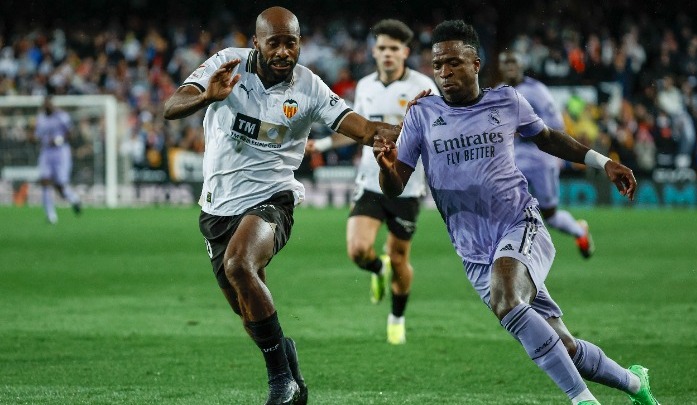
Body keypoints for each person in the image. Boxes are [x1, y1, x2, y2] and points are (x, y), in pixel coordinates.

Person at [374, 20, 660, 405]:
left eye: (454, 63)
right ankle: (634, 383)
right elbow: (395, 184)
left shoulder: (506, 101)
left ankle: (584, 401)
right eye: (438, 64)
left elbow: (547, 138)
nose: (444, 72)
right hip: (472, 251)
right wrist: (385, 167)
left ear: (476, 64)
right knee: (563, 345)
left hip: (518, 223)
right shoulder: (422, 114)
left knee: (507, 299)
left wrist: (603, 162)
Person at [163, 6, 401, 405]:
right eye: (274, 43)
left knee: (240, 264)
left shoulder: (309, 88)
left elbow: (363, 129)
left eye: (291, 43)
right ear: (256, 42)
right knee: (248, 312)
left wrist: (410, 127)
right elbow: (171, 107)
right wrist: (207, 96)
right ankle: (290, 368)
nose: (283, 52)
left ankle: (280, 382)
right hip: (218, 207)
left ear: (300, 43)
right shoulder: (228, 64)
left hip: (272, 198)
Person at [306, 19, 439, 345]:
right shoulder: (365, 86)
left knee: (400, 258)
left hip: (406, 184)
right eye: (382, 48)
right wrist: (321, 144)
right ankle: (378, 270)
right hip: (369, 180)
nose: (387, 53)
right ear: (374, 52)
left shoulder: (424, 86)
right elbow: (358, 131)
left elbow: (436, 134)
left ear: (405, 52)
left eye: (394, 48)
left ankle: (396, 318)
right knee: (357, 250)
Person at [498, 50, 594, 258]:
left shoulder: (537, 91)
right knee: (504, 208)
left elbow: (556, 125)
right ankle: (514, 254)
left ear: (522, 65)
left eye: (514, 61)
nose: (510, 66)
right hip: (513, 159)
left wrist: (525, 129)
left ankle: (579, 231)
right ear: (500, 67)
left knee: (550, 215)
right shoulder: (498, 92)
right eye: (506, 62)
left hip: (540, 158)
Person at [31, 95, 82, 224]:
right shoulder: (40, 118)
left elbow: (71, 132)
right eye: (44, 103)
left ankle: (74, 199)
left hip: (61, 152)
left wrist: (58, 140)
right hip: (46, 152)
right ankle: (50, 215)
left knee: (60, 185)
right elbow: (36, 135)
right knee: (44, 181)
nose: (46, 106)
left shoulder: (61, 116)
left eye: (48, 103)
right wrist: (32, 137)